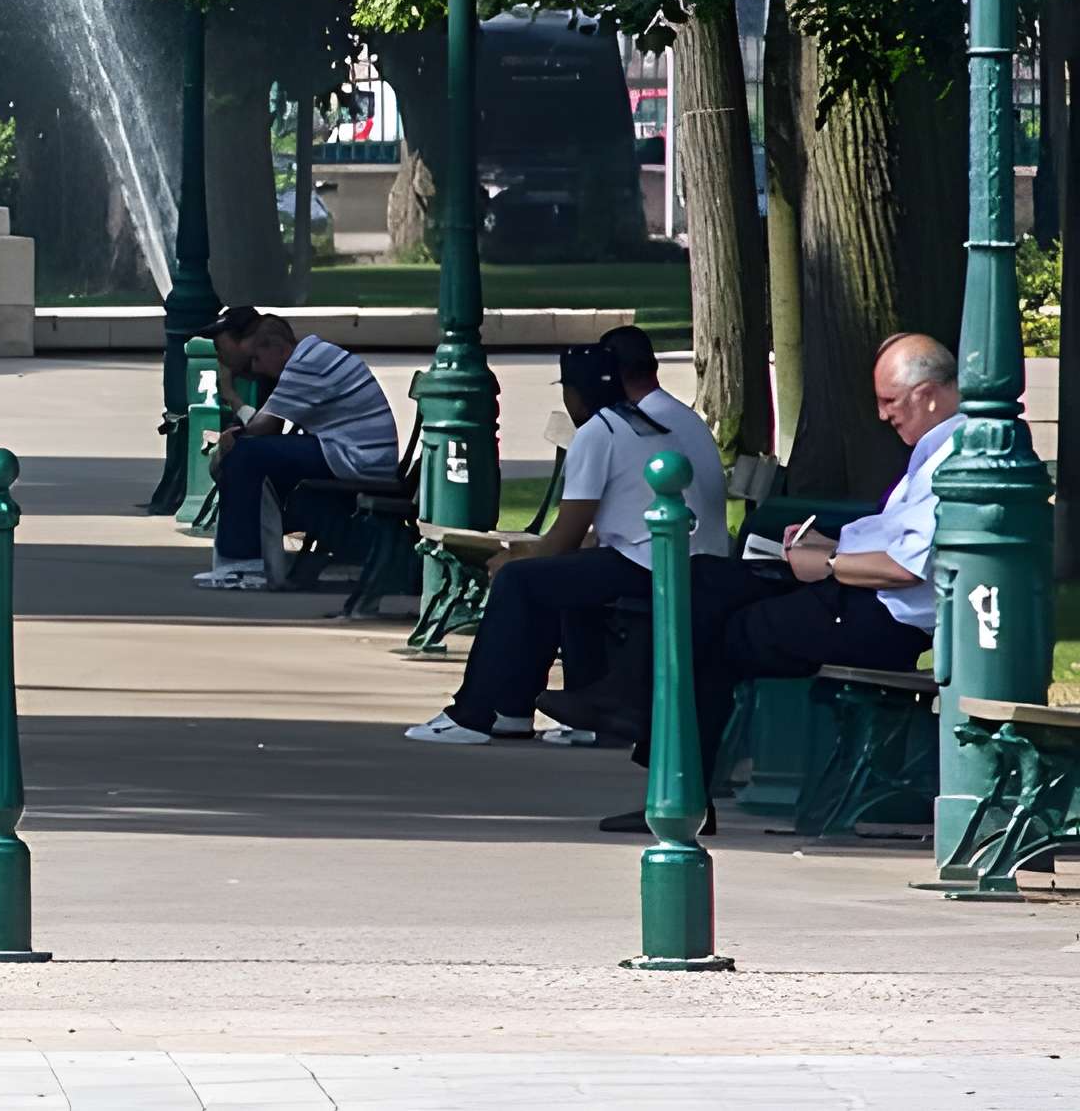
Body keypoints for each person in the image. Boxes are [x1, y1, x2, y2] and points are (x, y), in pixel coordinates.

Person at [598, 330, 959, 833]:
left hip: (877, 615)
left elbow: (907, 567)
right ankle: (630, 708)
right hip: (855, 593)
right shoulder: (937, 448)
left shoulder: (956, 457)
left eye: (889, 401)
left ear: (927, 394)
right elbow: (897, 538)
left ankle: (674, 780)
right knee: (703, 581)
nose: (883, 415)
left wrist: (830, 565)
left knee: (717, 634)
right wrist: (829, 545)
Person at [403, 326, 723, 744]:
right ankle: (552, 712)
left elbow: (565, 537)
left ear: (577, 393)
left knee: (522, 581)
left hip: (656, 563)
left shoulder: (598, 432)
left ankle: (476, 713)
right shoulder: (647, 422)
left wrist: (514, 560)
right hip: (680, 558)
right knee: (560, 580)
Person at [197, 307, 403, 591]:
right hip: (353, 455)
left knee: (246, 456)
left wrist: (236, 430)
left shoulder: (305, 364)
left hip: (357, 460)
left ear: (277, 348)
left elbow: (264, 427)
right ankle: (248, 557)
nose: (255, 368)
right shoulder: (313, 355)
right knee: (251, 457)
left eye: (257, 358)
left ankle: (243, 565)